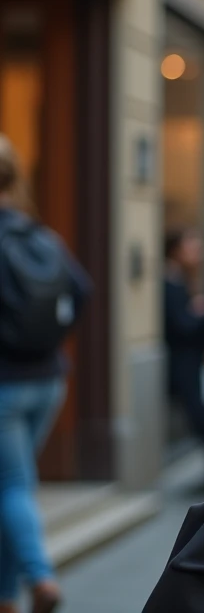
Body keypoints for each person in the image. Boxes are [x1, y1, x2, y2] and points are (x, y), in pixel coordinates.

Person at [0, 135, 91, 613]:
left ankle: (40, 577)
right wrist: (48, 340)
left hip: (6, 385)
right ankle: (6, 597)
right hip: (49, 380)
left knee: (11, 485)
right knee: (10, 484)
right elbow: (81, 289)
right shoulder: (40, 235)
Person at [163, 229, 204, 455]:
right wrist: (200, 312)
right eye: (191, 247)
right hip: (182, 360)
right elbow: (181, 325)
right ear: (176, 250)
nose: (198, 252)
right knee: (200, 415)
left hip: (192, 358)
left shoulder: (183, 279)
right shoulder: (169, 282)